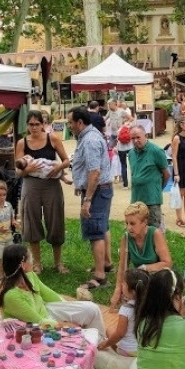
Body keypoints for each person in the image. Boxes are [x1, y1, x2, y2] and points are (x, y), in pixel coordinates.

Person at [0, 244, 106, 334]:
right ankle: (96, 344)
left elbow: (50, 295)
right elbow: (38, 322)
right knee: (82, 333)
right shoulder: (11, 296)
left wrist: (69, 308)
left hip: (46, 312)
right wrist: (65, 325)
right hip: (33, 329)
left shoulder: (30, 275)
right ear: (23, 265)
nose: (33, 259)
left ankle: (100, 340)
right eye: (30, 257)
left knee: (92, 309)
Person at [15, 110, 71, 274]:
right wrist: (27, 169)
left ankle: (58, 262)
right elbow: (17, 171)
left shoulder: (52, 138)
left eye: (37, 124)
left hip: (51, 185)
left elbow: (66, 160)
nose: (34, 127)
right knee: (31, 221)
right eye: (31, 124)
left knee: (55, 221)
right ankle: (37, 263)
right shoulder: (22, 143)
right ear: (27, 125)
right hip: (30, 185)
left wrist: (58, 167)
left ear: (43, 124)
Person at [68, 106, 114, 289]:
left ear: (80, 123)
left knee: (95, 232)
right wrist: (80, 184)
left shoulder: (89, 141)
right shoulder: (89, 135)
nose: (69, 126)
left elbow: (95, 172)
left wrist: (87, 200)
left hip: (96, 192)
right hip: (99, 190)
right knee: (102, 227)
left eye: (71, 122)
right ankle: (106, 264)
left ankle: (100, 276)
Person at [110, 202, 173, 307]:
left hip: (157, 279)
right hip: (140, 280)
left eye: (132, 223)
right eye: (127, 223)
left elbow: (168, 263)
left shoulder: (155, 234)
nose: (129, 228)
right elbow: (122, 267)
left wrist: (145, 267)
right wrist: (118, 289)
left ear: (144, 222)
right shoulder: (126, 238)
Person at [95, 268, 146, 369]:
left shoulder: (126, 309)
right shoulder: (150, 307)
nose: (122, 285)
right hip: (143, 349)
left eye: (124, 283)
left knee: (109, 330)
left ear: (132, 292)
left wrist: (106, 344)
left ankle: (116, 353)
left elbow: (120, 333)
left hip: (128, 351)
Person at [127, 125, 170, 228]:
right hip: (136, 200)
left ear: (145, 135)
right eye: (133, 138)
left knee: (153, 230)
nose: (135, 140)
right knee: (137, 230)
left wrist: (157, 189)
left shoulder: (156, 151)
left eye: (138, 137)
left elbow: (166, 174)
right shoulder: (131, 153)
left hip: (152, 200)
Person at [0, 180, 21, 278]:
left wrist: (14, 222)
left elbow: (11, 217)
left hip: (8, 237)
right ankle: (0, 276)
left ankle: (9, 273)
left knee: (9, 256)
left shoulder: (8, 205)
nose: (2, 197)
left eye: (4, 195)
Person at [115, 118, 133, 190]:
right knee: (132, 165)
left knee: (123, 165)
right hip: (130, 148)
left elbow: (117, 139)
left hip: (121, 149)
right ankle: (133, 182)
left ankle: (125, 185)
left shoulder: (119, 130)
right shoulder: (131, 130)